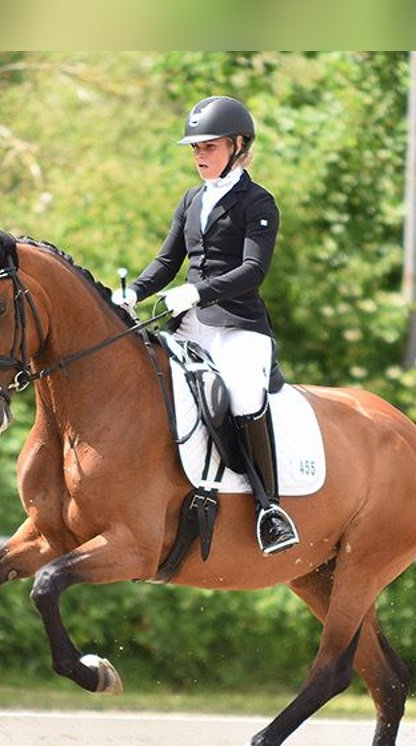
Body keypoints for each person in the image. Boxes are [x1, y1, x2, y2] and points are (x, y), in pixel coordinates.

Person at [112, 95, 299, 556]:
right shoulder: (191, 199)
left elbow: (254, 271)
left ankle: (269, 509)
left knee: (242, 393)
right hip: (189, 326)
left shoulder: (258, 203)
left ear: (238, 146)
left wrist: (198, 291)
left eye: (209, 147)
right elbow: (167, 260)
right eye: (195, 148)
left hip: (238, 326)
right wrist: (134, 292)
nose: (199, 156)